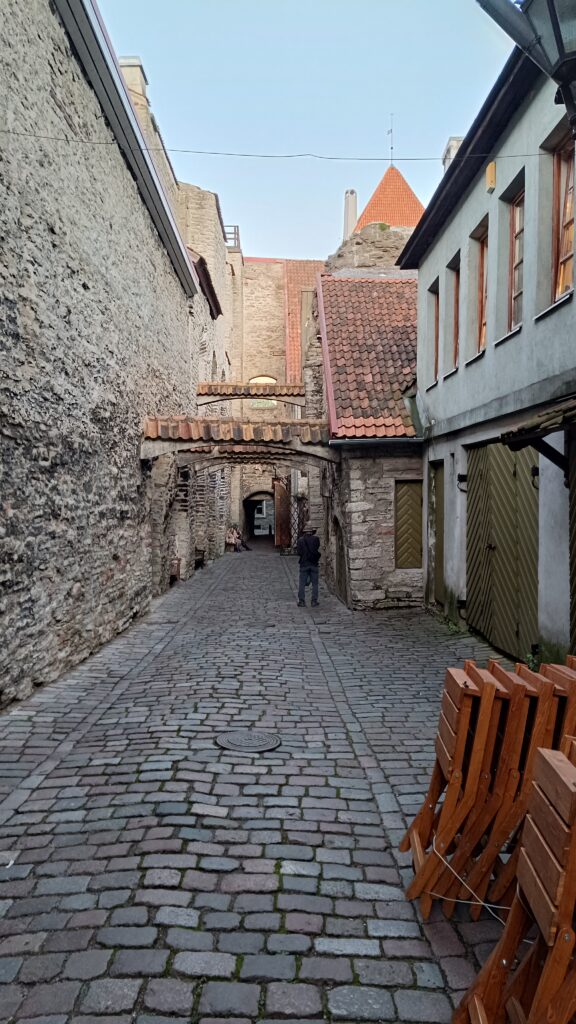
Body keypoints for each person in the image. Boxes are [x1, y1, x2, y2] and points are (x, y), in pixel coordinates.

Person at [296, 521, 320, 608]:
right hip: (314, 563)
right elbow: (316, 548)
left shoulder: (300, 540)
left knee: (302, 583)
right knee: (315, 584)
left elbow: (299, 553)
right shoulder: (316, 539)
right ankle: (314, 601)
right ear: (312, 531)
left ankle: (301, 601)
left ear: (304, 531)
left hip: (304, 563)